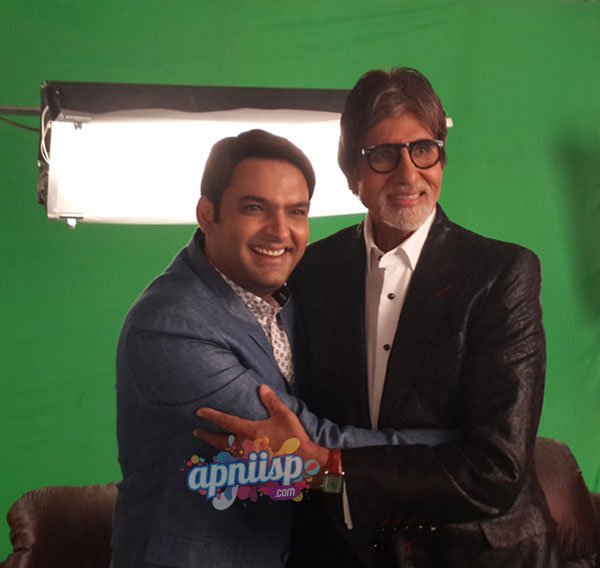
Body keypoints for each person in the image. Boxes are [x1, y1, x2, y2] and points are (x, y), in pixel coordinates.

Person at [194, 70, 561, 567]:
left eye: (424, 149)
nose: (409, 174)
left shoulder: (503, 275)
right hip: (347, 550)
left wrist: (328, 466)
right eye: (384, 155)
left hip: (477, 554)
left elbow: (496, 469)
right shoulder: (310, 270)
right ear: (352, 175)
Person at [112, 128, 454, 568]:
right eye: (255, 208)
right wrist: (457, 450)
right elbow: (305, 445)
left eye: (296, 211)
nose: (279, 231)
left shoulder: (291, 296)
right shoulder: (170, 326)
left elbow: (311, 472)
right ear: (207, 214)